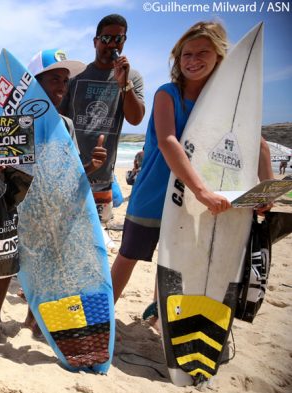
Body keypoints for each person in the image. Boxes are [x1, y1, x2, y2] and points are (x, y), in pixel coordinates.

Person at [110, 21, 274, 318]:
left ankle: (161, 313)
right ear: (177, 57)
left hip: (196, 201)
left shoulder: (226, 106)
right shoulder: (167, 94)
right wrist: (202, 191)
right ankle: (103, 314)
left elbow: (258, 144)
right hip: (155, 194)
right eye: (187, 54)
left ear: (220, 58)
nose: (193, 60)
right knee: (129, 254)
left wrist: (266, 188)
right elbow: (167, 141)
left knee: (181, 260)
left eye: (203, 53)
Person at [0, 49, 105, 338]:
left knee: (42, 263)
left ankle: (31, 319)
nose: (61, 87)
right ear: (35, 82)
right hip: (14, 202)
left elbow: (70, 174)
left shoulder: (65, 126)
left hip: (48, 208)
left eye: (64, 81)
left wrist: (92, 165)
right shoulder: (12, 121)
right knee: (6, 263)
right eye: (54, 80)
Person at [60, 14, 145, 223]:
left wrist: (124, 83)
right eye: (106, 38)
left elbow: (135, 119)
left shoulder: (132, 77)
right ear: (95, 41)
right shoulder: (75, 76)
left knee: (96, 236)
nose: (112, 44)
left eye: (119, 39)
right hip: (70, 172)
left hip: (103, 177)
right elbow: (59, 120)